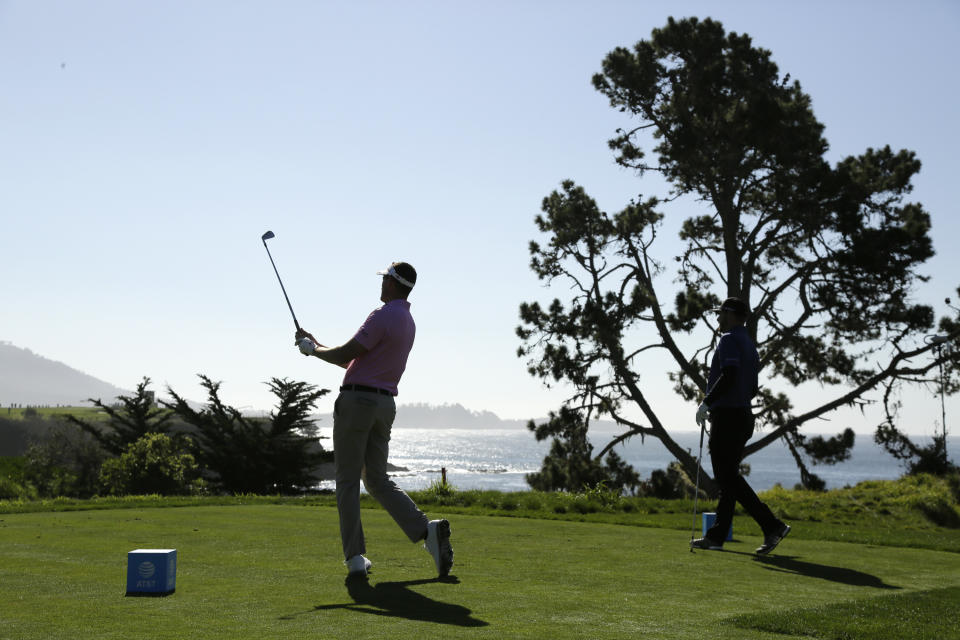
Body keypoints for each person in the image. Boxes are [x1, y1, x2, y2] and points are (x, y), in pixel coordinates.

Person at [294, 261, 453, 578]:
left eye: (384, 280)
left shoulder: (381, 315)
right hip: (384, 406)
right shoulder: (408, 321)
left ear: (393, 284)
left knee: (348, 481)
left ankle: (355, 559)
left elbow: (344, 357)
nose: (381, 285)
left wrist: (311, 350)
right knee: (377, 480)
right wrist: (317, 345)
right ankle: (427, 531)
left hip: (358, 403)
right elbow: (354, 363)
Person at [690, 297, 791, 555]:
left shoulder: (729, 340)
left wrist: (708, 402)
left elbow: (730, 374)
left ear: (731, 314)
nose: (717, 318)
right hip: (743, 416)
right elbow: (752, 386)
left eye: (720, 313)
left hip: (729, 417)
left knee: (727, 477)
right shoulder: (748, 343)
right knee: (728, 478)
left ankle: (772, 525)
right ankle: (716, 536)